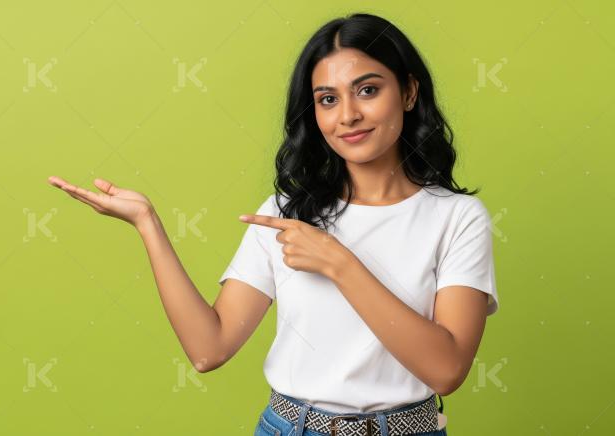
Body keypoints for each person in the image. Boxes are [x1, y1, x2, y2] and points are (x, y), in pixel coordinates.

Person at [47, 11, 498, 436]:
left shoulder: (456, 218)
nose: (347, 116)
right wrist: (148, 224)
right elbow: (210, 349)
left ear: (409, 92)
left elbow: (447, 370)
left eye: (367, 90)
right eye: (327, 99)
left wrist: (340, 264)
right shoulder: (288, 211)